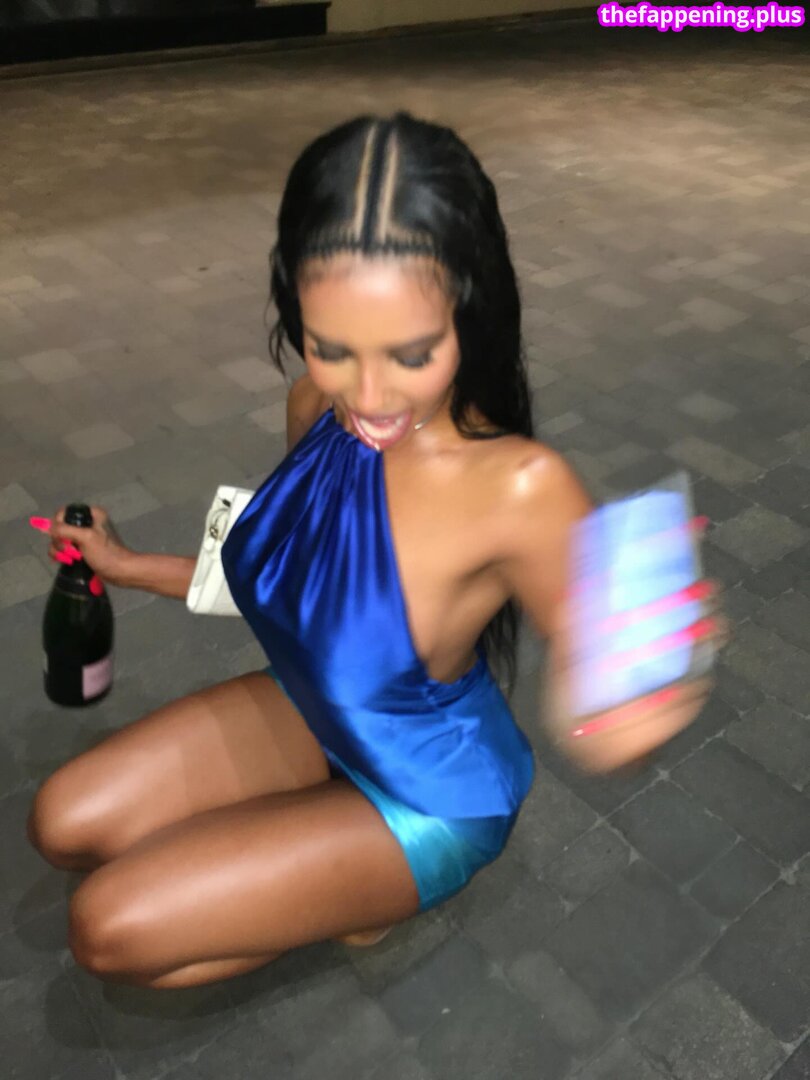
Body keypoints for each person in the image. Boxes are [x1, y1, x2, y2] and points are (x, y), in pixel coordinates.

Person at [28, 112, 719, 990]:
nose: (369, 394)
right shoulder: (314, 406)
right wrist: (127, 567)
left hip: (430, 792)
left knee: (106, 931)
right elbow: (299, 575)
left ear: (469, 311)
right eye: (331, 346)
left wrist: (636, 702)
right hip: (317, 706)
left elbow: (616, 705)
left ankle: (369, 897)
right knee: (60, 823)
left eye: (410, 353)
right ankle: (314, 847)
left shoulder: (520, 487)